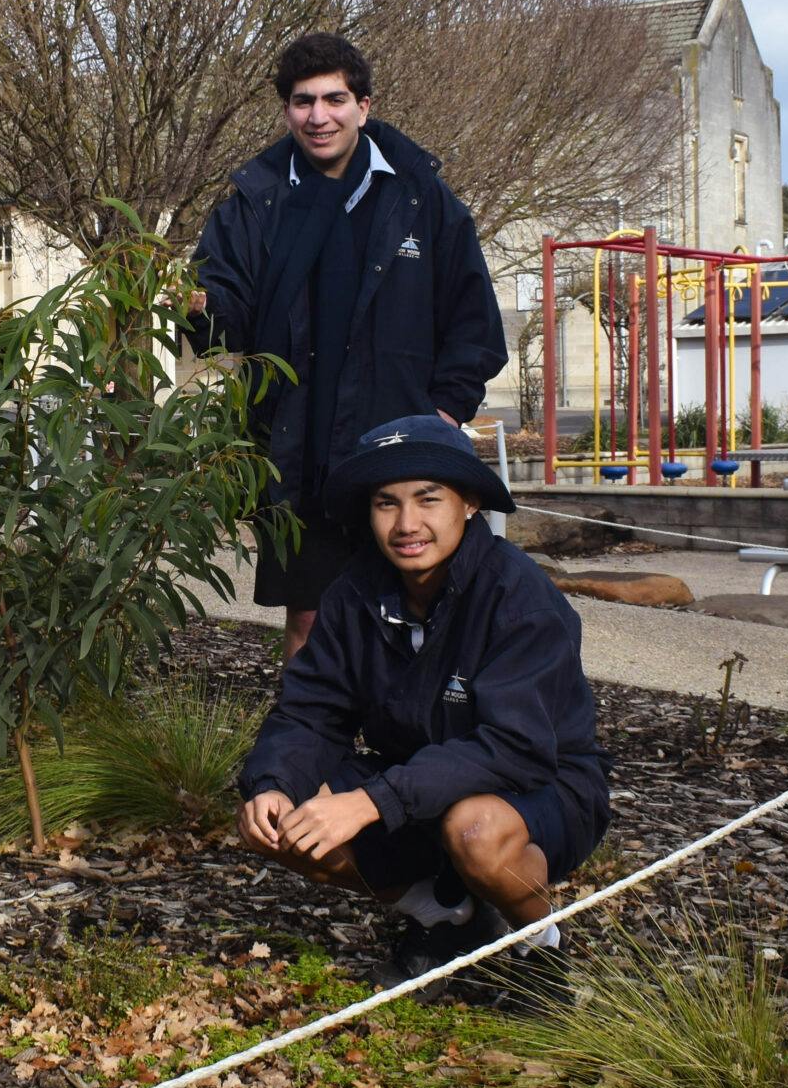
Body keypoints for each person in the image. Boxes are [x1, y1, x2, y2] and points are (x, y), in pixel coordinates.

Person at [237, 415, 609, 1006]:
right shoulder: (357, 590)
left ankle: (539, 949)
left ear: (468, 503)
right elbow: (309, 710)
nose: (407, 524)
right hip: (411, 781)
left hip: (539, 785)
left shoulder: (518, 596)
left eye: (428, 500)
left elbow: (513, 746)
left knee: (476, 831)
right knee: (279, 820)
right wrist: (274, 781)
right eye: (386, 504)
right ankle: (446, 917)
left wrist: (368, 802)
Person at [190, 32, 506, 658]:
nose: (318, 116)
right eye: (303, 101)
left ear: (365, 105)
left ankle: (412, 749)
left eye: (334, 99)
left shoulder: (423, 200)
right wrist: (192, 308)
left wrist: (442, 412)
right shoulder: (254, 204)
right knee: (312, 621)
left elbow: (475, 321)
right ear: (287, 110)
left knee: (421, 611)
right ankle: (309, 751)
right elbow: (222, 320)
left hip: (401, 449)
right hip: (299, 449)